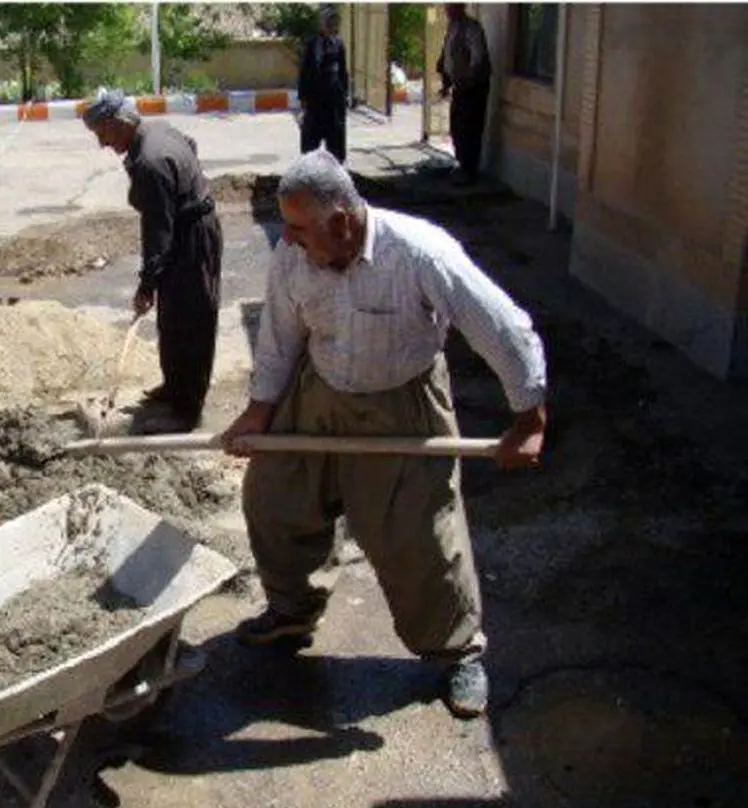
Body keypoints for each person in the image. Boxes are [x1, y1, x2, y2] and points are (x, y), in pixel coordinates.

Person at [221, 150, 547, 718]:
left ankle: (457, 652)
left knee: (418, 534)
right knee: (274, 500)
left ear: (342, 222)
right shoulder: (293, 257)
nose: (290, 240)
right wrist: (260, 411)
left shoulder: (418, 252)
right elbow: (277, 334)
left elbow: (502, 326)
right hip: (318, 392)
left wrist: (529, 419)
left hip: (403, 403)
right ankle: (292, 610)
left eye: (299, 227)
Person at [83, 90, 224, 434]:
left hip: (190, 235)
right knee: (172, 317)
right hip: (185, 225)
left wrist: (147, 284)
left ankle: (187, 411)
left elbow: (157, 233)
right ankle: (174, 387)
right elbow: (189, 145)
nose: (102, 144)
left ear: (119, 123)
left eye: (103, 133)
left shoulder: (150, 162)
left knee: (191, 321)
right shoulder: (158, 131)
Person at [436, 3, 492, 185]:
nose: (447, 10)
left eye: (451, 6)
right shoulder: (453, 27)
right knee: (457, 127)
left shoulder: (472, 28)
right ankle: (462, 164)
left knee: (469, 129)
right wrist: (446, 83)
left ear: (460, 7)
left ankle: (469, 171)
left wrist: (467, 80)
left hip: (473, 89)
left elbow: (478, 59)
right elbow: (447, 56)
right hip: (460, 87)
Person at [298, 5, 349, 164]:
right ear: (323, 24)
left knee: (336, 146)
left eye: (334, 23)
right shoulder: (312, 45)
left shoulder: (338, 44)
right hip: (315, 101)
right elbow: (305, 71)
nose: (332, 27)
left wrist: (344, 94)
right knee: (310, 146)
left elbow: (343, 72)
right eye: (329, 23)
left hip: (334, 102)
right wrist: (303, 98)